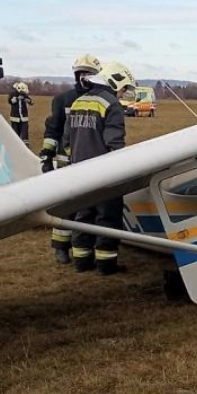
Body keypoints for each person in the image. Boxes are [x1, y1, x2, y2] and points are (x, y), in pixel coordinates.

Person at [66, 61, 134, 274]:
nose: (123, 93)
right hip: (103, 173)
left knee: (83, 216)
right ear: (116, 81)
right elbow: (114, 141)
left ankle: (81, 262)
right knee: (108, 217)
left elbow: (67, 139)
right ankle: (106, 264)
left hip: (78, 170)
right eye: (124, 88)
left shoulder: (79, 101)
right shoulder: (111, 104)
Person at [40, 54, 101, 264]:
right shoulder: (63, 100)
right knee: (66, 208)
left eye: (90, 74)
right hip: (67, 162)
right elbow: (53, 129)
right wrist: (46, 156)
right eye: (83, 73)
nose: (86, 77)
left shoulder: (100, 100)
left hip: (91, 161)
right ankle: (61, 248)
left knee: (89, 208)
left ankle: (84, 248)